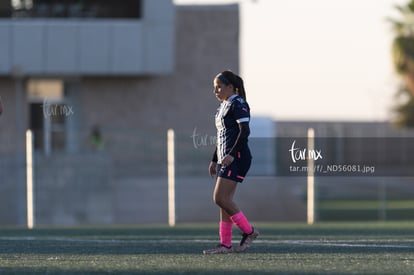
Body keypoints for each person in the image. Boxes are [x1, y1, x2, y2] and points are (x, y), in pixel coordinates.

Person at [203, 70, 259, 254]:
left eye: (219, 87)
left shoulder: (238, 103)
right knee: (224, 201)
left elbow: (244, 132)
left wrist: (232, 155)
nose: (215, 91)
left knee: (219, 198)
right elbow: (222, 137)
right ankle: (225, 244)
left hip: (238, 157)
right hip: (226, 158)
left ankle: (249, 231)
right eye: (214, 87)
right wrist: (214, 159)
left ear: (230, 87)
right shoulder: (223, 106)